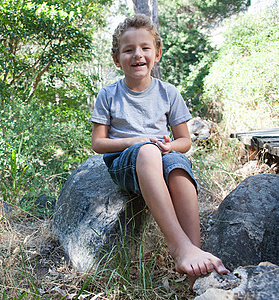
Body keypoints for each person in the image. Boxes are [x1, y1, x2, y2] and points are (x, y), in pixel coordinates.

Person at [90, 14, 229, 284]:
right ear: (117, 60)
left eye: (145, 48)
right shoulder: (108, 95)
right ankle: (179, 247)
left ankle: (194, 258)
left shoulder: (169, 93)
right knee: (148, 151)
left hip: (159, 156)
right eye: (128, 50)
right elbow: (98, 143)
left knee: (178, 167)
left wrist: (168, 146)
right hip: (126, 163)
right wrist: (136, 142)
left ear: (157, 53)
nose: (137, 55)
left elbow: (184, 141)